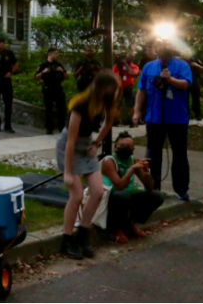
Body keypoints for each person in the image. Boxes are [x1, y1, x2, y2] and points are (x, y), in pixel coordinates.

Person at [57, 71, 120, 260]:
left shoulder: (107, 102)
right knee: (76, 195)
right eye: (109, 90)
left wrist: (97, 142)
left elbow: (109, 123)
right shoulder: (80, 105)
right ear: (100, 88)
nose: (111, 94)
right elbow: (70, 142)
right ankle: (66, 240)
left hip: (86, 146)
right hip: (69, 148)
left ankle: (83, 234)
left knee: (98, 191)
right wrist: (67, 172)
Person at [133, 41, 193, 202]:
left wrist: (170, 80)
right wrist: (137, 111)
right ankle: (153, 188)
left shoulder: (182, 65)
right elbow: (142, 90)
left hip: (177, 119)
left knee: (179, 154)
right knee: (152, 154)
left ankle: (181, 190)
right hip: (154, 117)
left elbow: (185, 84)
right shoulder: (149, 66)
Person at [101, 134, 165, 244]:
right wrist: (132, 169)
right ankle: (116, 229)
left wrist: (147, 172)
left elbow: (149, 187)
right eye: (123, 146)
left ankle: (132, 222)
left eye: (129, 147)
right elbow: (119, 186)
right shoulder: (109, 161)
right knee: (122, 195)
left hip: (127, 195)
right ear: (115, 146)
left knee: (157, 196)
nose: (126, 149)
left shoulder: (133, 161)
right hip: (111, 197)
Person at [35, 48, 69, 135]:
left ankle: (62, 128)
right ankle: (49, 128)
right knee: (48, 110)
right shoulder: (44, 65)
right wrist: (43, 72)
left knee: (61, 109)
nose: (57, 55)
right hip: (48, 89)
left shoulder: (59, 65)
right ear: (50, 54)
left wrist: (62, 71)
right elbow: (36, 77)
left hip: (58, 88)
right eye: (56, 53)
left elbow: (66, 76)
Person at [113, 53, 140, 127]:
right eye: (126, 57)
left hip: (128, 87)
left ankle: (133, 121)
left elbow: (133, 73)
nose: (126, 59)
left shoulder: (134, 66)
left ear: (132, 59)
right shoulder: (118, 66)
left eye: (129, 58)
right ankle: (116, 121)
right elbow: (113, 73)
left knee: (130, 105)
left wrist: (126, 65)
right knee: (117, 104)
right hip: (119, 87)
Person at [186, 54, 203, 120]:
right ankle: (187, 114)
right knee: (185, 98)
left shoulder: (195, 59)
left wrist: (197, 66)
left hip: (194, 80)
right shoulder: (181, 60)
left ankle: (197, 113)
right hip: (185, 80)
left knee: (196, 97)